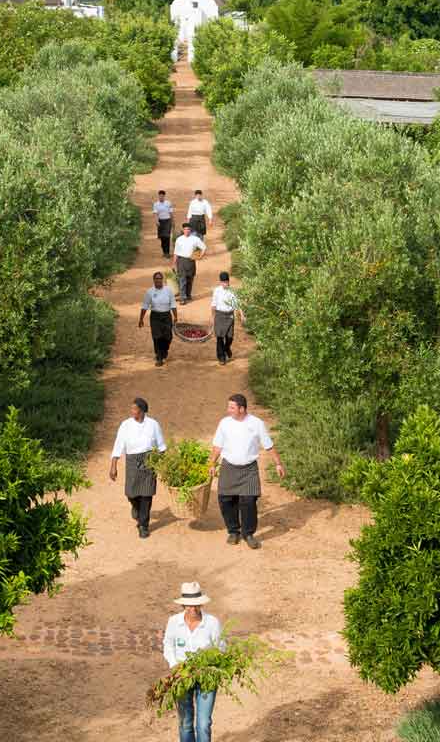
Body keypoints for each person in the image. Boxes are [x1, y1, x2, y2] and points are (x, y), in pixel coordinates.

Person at [208, 394, 286, 549]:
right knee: (225, 500)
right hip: (228, 466)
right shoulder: (224, 423)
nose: (228, 410)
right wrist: (211, 463)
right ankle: (233, 531)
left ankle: (248, 534)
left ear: (242, 409)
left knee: (249, 502)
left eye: (231, 407)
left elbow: (268, 445)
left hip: (249, 468)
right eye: (228, 406)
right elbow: (217, 446)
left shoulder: (256, 423)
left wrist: (278, 464)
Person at [163, 582, 224, 742]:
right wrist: (174, 665)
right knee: (185, 723)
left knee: (203, 724)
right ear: (183, 605)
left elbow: (221, 647)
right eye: (189, 606)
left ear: (202, 604)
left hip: (206, 677)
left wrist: (212, 661)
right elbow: (168, 645)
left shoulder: (212, 623)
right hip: (182, 676)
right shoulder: (174, 622)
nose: (193, 609)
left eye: (196, 605)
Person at [110, 397, 167, 538]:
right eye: (132, 408)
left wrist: (163, 464)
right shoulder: (125, 425)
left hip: (149, 461)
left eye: (134, 409)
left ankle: (143, 525)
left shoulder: (153, 425)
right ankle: (136, 508)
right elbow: (118, 445)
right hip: (132, 460)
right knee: (131, 493)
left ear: (142, 411)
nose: (132, 411)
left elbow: (161, 446)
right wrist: (113, 465)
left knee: (147, 494)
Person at [141, 271, 179, 366]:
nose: (158, 280)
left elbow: (173, 304)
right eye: (156, 279)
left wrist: (175, 317)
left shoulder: (168, 290)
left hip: (167, 316)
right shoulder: (149, 292)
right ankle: (159, 357)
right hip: (155, 317)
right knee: (157, 337)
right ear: (153, 280)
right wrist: (141, 319)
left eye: (160, 278)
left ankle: (164, 351)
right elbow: (145, 306)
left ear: (162, 280)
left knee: (168, 337)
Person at [210, 272, 243, 366]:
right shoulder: (216, 291)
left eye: (227, 282)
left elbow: (237, 304)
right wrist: (213, 318)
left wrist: (242, 314)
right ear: (220, 282)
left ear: (229, 281)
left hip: (229, 316)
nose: (225, 284)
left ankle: (227, 348)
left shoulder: (232, 291)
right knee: (219, 337)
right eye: (223, 282)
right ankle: (221, 357)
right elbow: (213, 305)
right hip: (219, 315)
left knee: (230, 337)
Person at [172, 223, 207, 304]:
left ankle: (188, 295)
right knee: (182, 279)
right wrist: (174, 263)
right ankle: (182, 298)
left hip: (191, 261)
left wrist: (200, 256)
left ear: (190, 230)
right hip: (181, 261)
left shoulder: (195, 239)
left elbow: (204, 247)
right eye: (185, 229)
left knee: (190, 279)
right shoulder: (179, 239)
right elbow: (176, 252)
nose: (187, 231)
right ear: (183, 230)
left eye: (188, 229)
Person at [154, 190, 174, 257]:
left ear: (164, 196)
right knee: (162, 237)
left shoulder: (168, 203)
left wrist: (172, 221)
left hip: (167, 221)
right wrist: (156, 221)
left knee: (167, 237)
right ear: (158, 196)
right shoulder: (156, 204)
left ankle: (167, 252)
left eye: (162, 196)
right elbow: (156, 214)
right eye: (160, 196)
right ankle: (164, 251)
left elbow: (171, 213)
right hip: (160, 222)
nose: (161, 197)